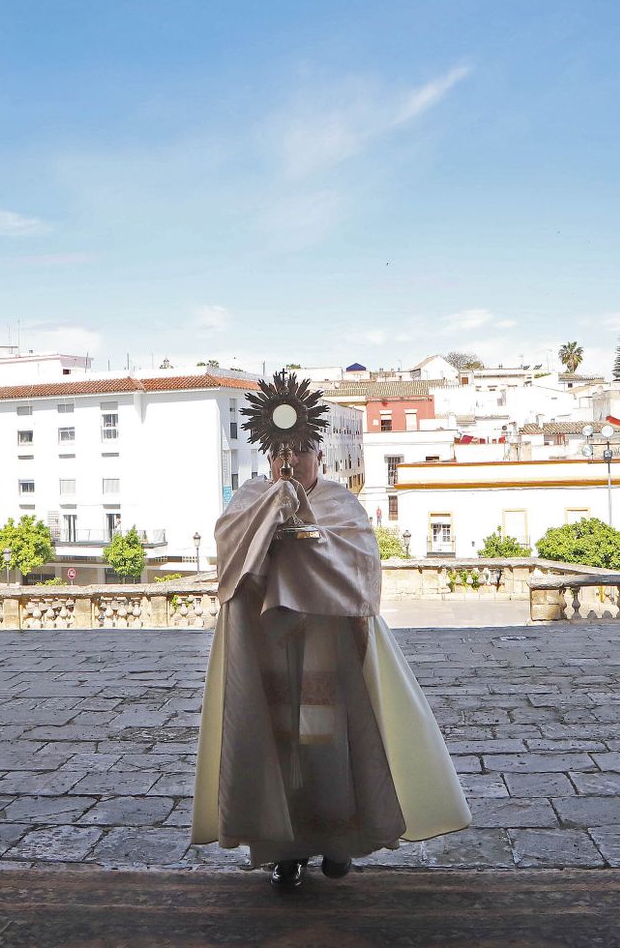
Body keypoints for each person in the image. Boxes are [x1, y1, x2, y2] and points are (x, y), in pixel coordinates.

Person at [192, 374, 469, 890]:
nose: (291, 461)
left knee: (326, 745)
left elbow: (359, 565)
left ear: (319, 455)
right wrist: (271, 513)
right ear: (267, 455)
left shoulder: (342, 504)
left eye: (301, 451)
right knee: (276, 749)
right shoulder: (249, 499)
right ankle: (284, 851)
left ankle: (339, 842)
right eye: (281, 452)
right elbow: (231, 558)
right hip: (266, 650)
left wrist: (306, 533)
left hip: (327, 646)